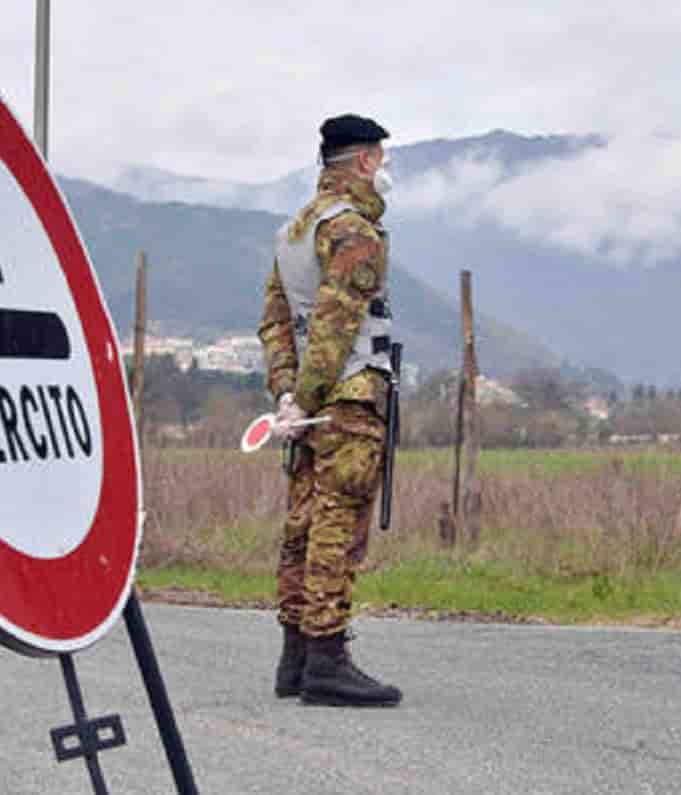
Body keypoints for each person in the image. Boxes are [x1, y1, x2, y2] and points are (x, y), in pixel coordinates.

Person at [256, 113, 401, 707]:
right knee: (337, 526)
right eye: (381, 157)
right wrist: (310, 398)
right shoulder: (352, 231)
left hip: (306, 406)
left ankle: (294, 657)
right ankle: (326, 657)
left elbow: (275, 324)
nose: (384, 169)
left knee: (303, 524)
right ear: (364, 160)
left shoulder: (293, 233)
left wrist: (287, 396)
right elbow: (336, 327)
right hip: (348, 401)